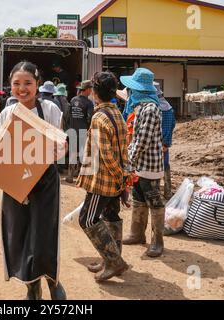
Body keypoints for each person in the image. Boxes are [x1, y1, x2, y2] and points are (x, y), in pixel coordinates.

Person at [0, 61, 67, 300]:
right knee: (18, 232)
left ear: (37, 84)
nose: (22, 88)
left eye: (28, 83)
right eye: (16, 84)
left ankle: (53, 281)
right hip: (14, 183)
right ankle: (31, 286)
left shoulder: (50, 110)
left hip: (45, 181)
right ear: (10, 87)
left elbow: (60, 146)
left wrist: (57, 149)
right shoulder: (6, 114)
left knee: (45, 233)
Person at [76, 72, 129, 282]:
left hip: (103, 180)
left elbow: (105, 154)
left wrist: (118, 177)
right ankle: (110, 260)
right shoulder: (117, 113)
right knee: (110, 216)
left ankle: (114, 261)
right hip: (116, 178)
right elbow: (122, 148)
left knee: (87, 219)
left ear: (95, 93)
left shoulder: (99, 117)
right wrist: (123, 177)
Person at [120, 68, 166, 258]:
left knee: (154, 202)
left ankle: (157, 241)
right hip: (141, 165)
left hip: (149, 165)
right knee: (139, 199)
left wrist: (128, 160)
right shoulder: (141, 108)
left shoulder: (149, 109)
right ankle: (137, 233)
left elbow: (142, 141)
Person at [65, 80, 94, 183]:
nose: (91, 91)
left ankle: (70, 176)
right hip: (83, 131)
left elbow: (67, 116)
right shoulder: (89, 103)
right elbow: (90, 118)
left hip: (73, 130)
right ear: (87, 89)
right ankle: (79, 176)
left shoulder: (73, 100)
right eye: (91, 89)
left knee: (73, 153)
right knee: (82, 153)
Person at [153, 83, 176, 200]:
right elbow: (172, 125)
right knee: (165, 166)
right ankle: (167, 191)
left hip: (153, 143)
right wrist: (166, 143)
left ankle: (155, 192)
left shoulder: (154, 108)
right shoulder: (169, 107)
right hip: (164, 144)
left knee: (155, 168)